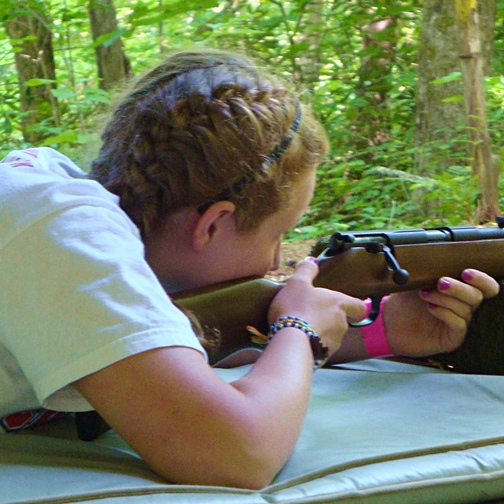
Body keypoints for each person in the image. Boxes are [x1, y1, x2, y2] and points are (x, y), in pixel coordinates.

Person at [0, 48, 499, 489]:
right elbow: (237, 453)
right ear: (213, 223)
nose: (277, 260)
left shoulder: (59, 213)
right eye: (277, 235)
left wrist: (383, 332)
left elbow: (179, 360)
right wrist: (299, 330)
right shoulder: (58, 229)